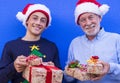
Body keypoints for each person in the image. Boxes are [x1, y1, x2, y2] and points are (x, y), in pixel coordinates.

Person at [0, 3, 61, 83]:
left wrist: (53, 71)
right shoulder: (11, 46)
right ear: (27, 21)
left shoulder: (51, 47)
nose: (38, 23)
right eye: (35, 18)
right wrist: (13, 66)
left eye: (43, 20)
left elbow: (60, 79)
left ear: (46, 25)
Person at [64, 0, 120, 83]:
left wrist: (109, 67)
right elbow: (69, 79)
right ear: (79, 24)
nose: (88, 23)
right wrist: (69, 71)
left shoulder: (116, 39)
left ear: (99, 17)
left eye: (91, 17)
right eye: (83, 20)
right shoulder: (75, 43)